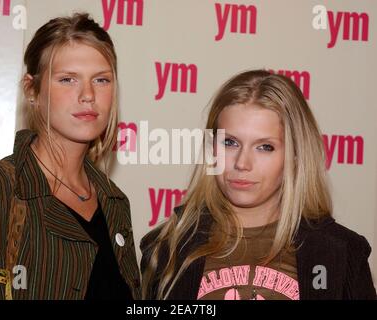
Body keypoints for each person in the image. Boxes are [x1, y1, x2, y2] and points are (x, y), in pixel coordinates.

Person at [140, 70, 376, 300]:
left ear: (295, 155)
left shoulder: (343, 254)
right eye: (230, 142)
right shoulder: (165, 250)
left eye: (265, 147)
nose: (242, 163)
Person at [0, 13, 141, 300]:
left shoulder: (115, 203)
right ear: (31, 90)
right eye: (67, 79)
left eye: (101, 79)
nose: (87, 94)